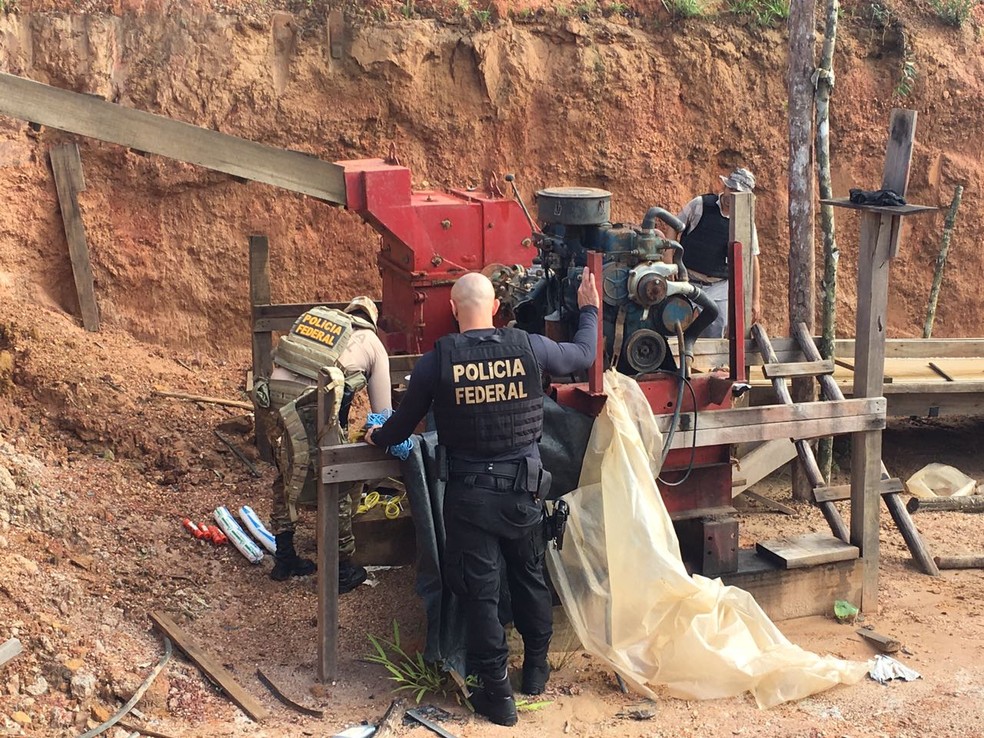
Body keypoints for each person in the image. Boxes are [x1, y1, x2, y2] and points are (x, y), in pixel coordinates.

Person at [365, 269, 600, 727]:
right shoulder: (529, 347)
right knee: (530, 576)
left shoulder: (437, 362)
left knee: (482, 593)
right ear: (495, 308)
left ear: (453, 310)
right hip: (524, 493)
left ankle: (497, 695)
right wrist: (589, 308)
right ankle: (535, 671)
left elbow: (400, 426)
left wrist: (377, 437)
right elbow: (585, 354)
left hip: (470, 499)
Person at [255, 296, 391, 591]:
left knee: (287, 469)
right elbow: (383, 414)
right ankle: (340, 571)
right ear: (372, 321)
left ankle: (286, 557)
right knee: (337, 478)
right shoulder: (370, 341)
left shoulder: (321, 322)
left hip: (275, 395)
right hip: (312, 399)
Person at [671, 167, 761, 338]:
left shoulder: (745, 221)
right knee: (672, 327)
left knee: (714, 336)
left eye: (737, 192)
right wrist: (669, 262)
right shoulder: (700, 205)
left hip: (719, 287)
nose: (731, 195)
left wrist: (755, 300)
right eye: (730, 188)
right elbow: (673, 227)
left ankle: (711, 366)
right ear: (725, 186)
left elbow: (752, 258)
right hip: (687, 282)